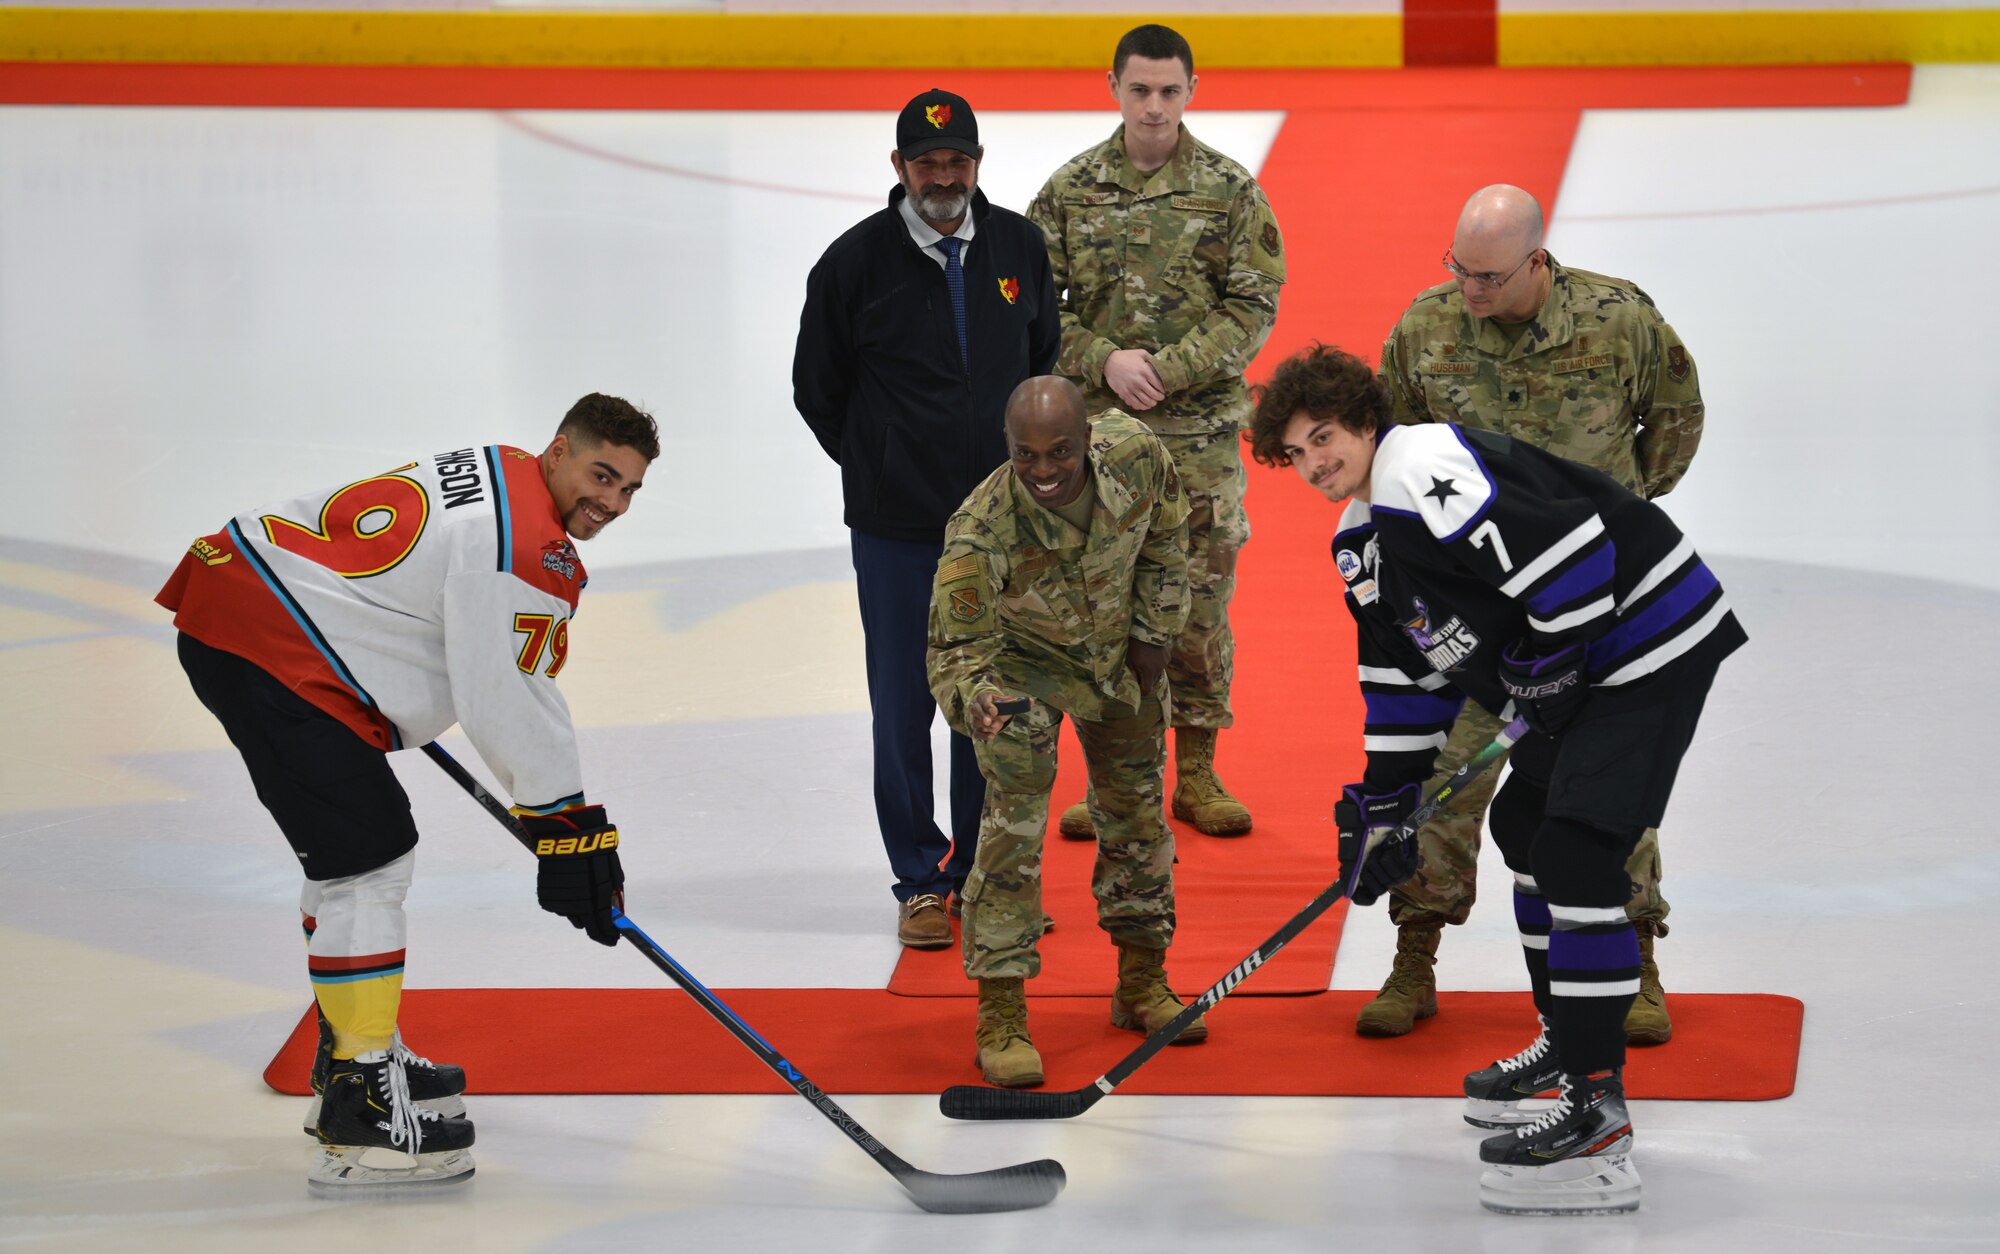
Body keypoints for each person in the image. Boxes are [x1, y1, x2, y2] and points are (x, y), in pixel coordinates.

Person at [1248, 344, 1742, 1214]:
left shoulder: (1420, 465)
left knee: (1580, 854)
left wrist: (1551, 653)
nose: (1315, 461)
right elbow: (1408, 676)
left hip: (1643, 648)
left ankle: (1599, 1116)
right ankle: (1567, 1040)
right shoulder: (1360, 537)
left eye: (1323, 436)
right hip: (1590, 667)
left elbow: (1575, 555)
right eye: (1295, 453)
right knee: (1523, 830)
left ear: (1364, 420)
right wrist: (1385, 803)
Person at [157, 394, 659, 1191]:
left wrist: (382, 665)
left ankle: (351, 1051)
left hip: (247, 604)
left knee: (347, 853)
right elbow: (506, 692)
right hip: (269, 644)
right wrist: (567, 825)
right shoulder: (524, 547)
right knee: (369, 858)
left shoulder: (504, 470)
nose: (612, 502)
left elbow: (418, 598)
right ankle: (360, 1106)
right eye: (602, 475)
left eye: (630, 489)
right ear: (559, 451)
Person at [1361, 184, 1708, 1043]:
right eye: (1460, 270)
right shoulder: (1426, 327)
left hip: (1595, 613)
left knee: (1606, 788)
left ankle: (1635, 959)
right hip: (1480, 616)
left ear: (1537, 260)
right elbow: (1394, 446)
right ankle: (1415, 954)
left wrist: (1616, 518)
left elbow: (1674, 421)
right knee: (1445, 778)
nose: (1470, 290)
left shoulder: (1619, 320)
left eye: (1488, 275)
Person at [794, 88, 1060, 949]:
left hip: (1003, 527)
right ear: (899, 167)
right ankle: (918, 878)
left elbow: (1041, 361)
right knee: (904, 703)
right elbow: (817, 389)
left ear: (977, 163)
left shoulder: (1019, 244)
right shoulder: (851, 265)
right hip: (897, 530)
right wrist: (880, 464)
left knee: (997, 699)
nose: (943, 177)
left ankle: (982, 874)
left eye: (958, 161)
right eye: (927, 162)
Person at [1027, 23, 1285, 840]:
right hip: (1098, 445)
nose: (1154, 107)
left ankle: (1198, 774)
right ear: (1113, 89)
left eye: (1169, 91)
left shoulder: (1229, 191)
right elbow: (1035, 311)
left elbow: (1254, 306)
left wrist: (1166, 370)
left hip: (1198, 441)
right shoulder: (1069, 192)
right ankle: (1113, 781)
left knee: (1199, 607)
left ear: (1192, 91)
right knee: (1099, 608)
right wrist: (1103, 361)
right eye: (1139, 89)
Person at [927, 376, 1203, 1089]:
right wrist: (976, 699)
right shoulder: (979, 529)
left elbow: (1172, 531)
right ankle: (1002, 1014)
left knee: (1138, 815)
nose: (1044, 471)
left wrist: (1153, 631)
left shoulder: (1137, 453)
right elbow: (955, 650)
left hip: (1118, 657)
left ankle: (1142, 983)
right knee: (1013, 831)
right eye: (1026, 456)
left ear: (1089, 441)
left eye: (1061, 453)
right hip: (1024, 670)